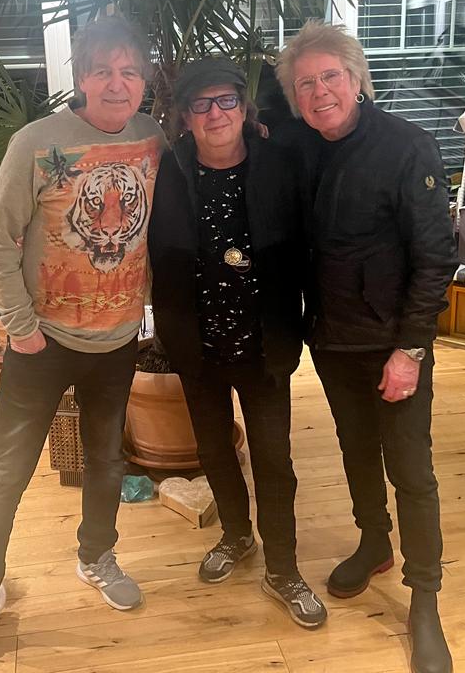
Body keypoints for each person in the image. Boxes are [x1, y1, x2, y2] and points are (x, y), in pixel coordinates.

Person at [0, 16, 167, 673]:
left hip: (118, 339)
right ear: (81, 77)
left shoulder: (153, 138)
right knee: (3, 478)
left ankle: (96, 555)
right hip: (41, 343)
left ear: (143, 81)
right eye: (103, 70)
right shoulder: (36, 142)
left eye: (129, 71)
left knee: (106, 462)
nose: (116, 83)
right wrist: (20, 327)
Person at [275, 21, 458, 672]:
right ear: (293, 98)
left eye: (331, 76)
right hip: (332, 340)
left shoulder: (407, 146)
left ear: (357, 79)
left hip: (393, 343)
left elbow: (436, 255)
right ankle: (373, 542)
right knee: (355, 448)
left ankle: (425, 599)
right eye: (305, 83)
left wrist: (411, 349)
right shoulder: (298, 146)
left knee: (410, 469)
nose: (320, 91)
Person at [148, 58, 326, 629]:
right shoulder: (169, 170)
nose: (215, 114)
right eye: (201, 105)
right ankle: (235, 534)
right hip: (196, 343)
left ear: (244, 109)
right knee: (214, 451)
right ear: (185, 117)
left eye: (226, 100)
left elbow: (306, 245)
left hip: (264, 343)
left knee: (274, 460)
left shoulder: (279, 163)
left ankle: (284, 569)